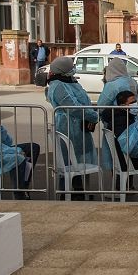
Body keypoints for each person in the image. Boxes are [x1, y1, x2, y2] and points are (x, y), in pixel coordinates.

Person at [46, 56, 98, 199]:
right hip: (68, 126)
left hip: (77, 126)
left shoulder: (68, 81)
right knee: (68, 161)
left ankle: (78, 190)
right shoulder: (58, 85)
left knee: (76, 159)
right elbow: (73, 107)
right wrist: (93, 116)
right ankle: (68, 193)